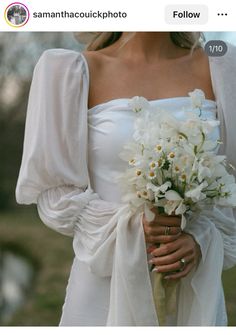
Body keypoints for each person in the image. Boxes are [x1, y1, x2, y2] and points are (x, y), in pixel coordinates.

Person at [15, 32, 236, 326]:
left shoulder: (221, 65)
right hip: (101, 289)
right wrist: (135, 228)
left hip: (191, 288)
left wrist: (201, 239)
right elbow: (55, 192)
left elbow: (230, 181)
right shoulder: (70, 70)